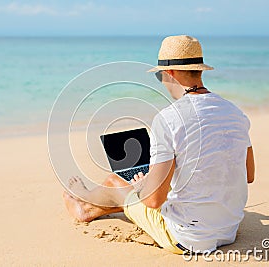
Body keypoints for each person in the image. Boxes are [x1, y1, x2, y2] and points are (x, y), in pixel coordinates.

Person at [63, 35, 255, 254]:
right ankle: (97, 202)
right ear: (199, 71)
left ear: (169, 73)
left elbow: (154, 201)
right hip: (229, 230)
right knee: (164, 183)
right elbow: (248, 174)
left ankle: (83, 206)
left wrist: (142, 186)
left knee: (116, 182)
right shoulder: (235, 113)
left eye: (159, 76)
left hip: (187, 238)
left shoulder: (170, 119)